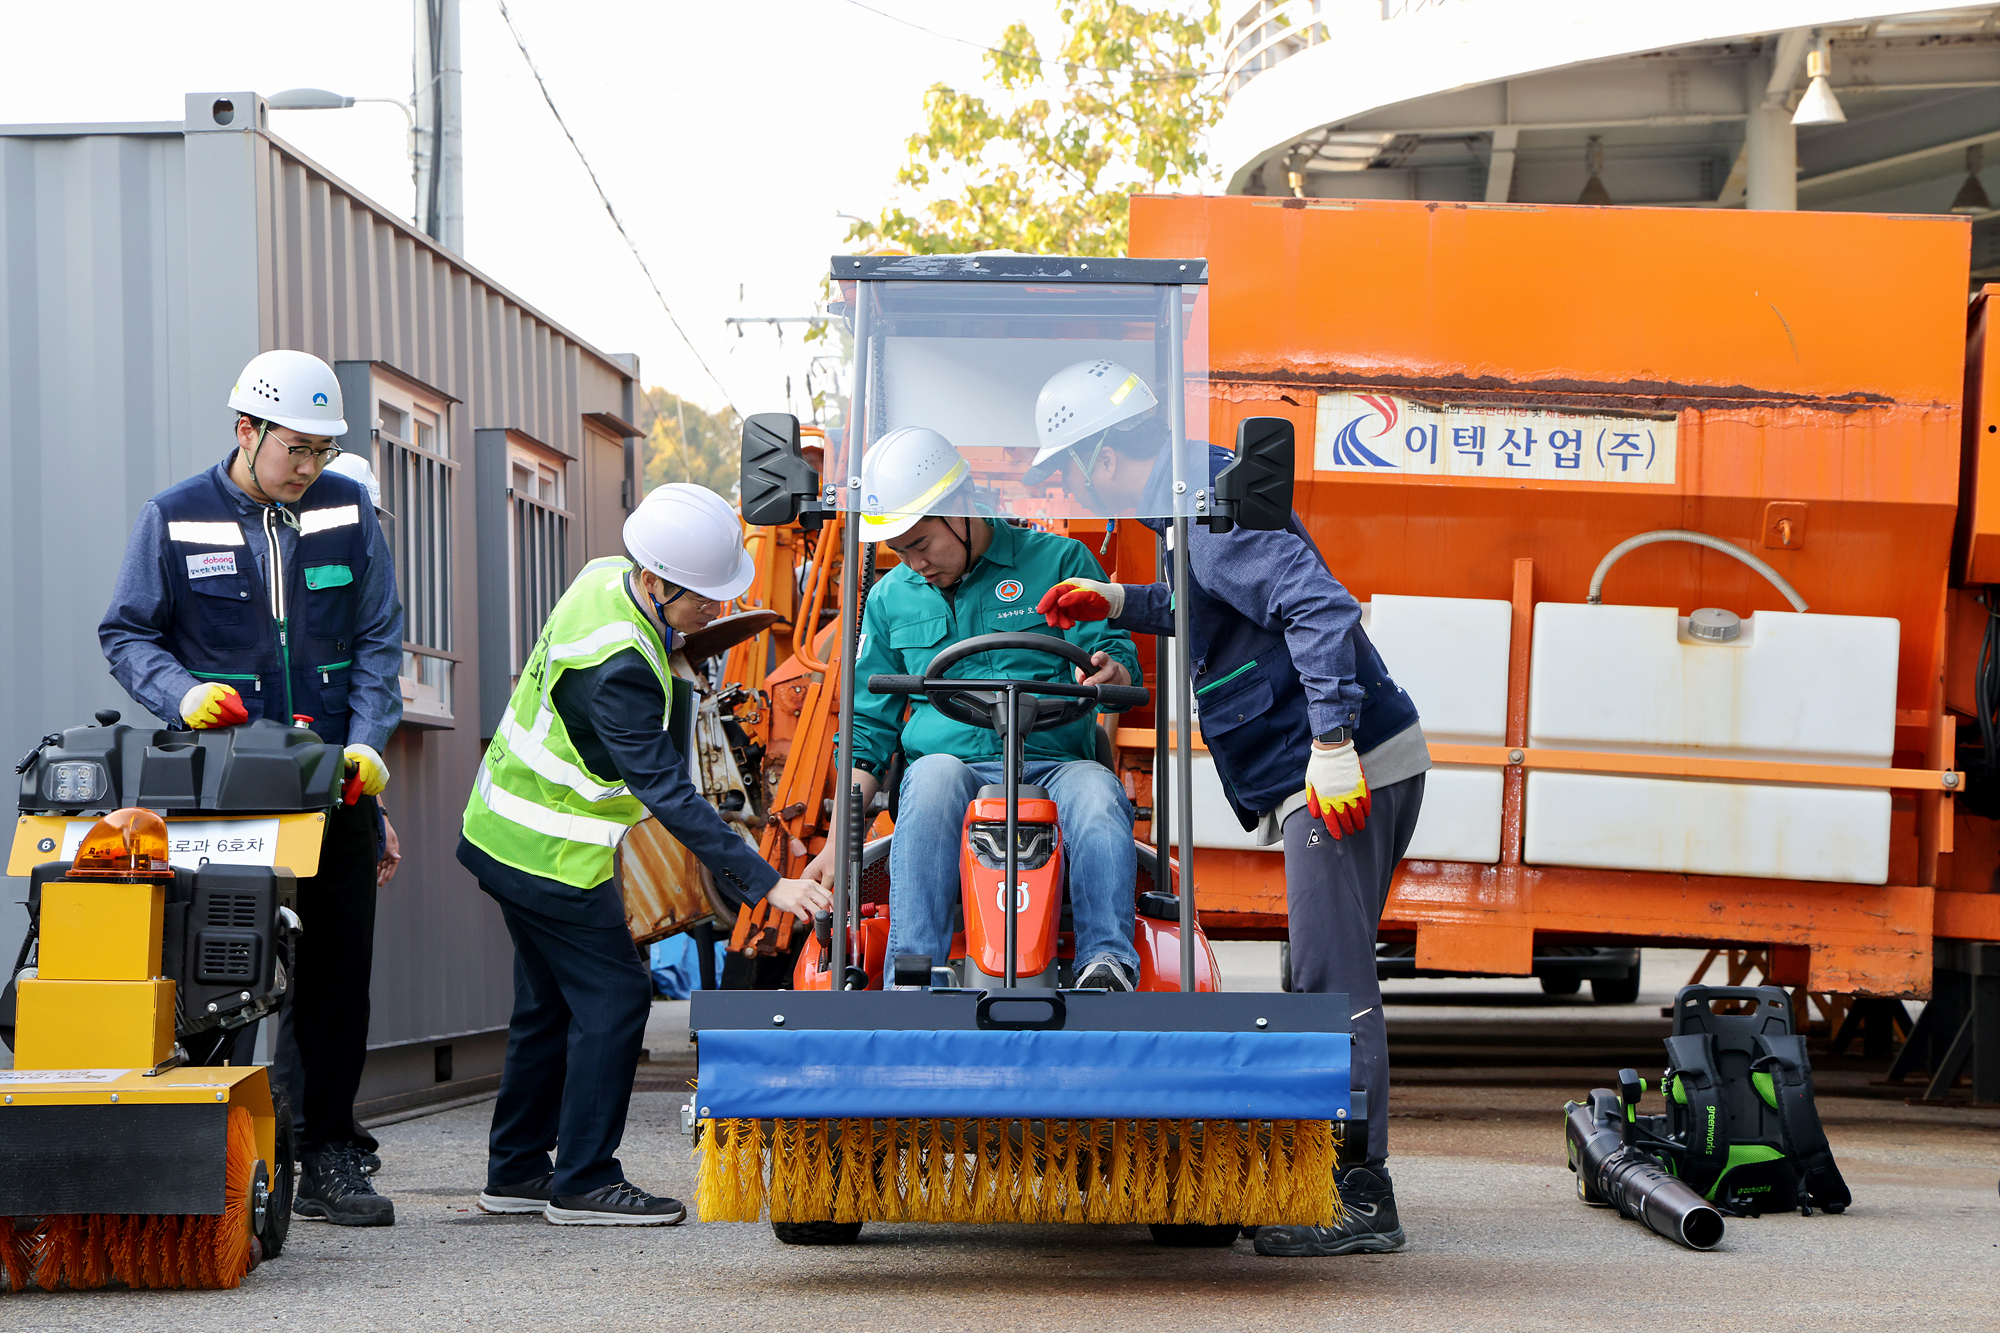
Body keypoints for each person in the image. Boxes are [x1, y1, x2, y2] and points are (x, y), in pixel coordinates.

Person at [1028, 359, 1428, 1255]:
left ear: (1103, 457)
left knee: (1330, 980)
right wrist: (1121, 600)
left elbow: (1320, 609)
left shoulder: (1204, 511)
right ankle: (1327, 1178)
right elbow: (1214, 601)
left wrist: (1332, 745)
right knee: (1319, 972)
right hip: (1340, 766)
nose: (1072, 488)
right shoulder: (1194, 498)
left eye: (1071, 468)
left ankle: (1361, 1194)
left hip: (1342, 772)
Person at [458, 483, 831, 1226]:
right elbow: (668, 791)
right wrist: (768, 884)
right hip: (550, 853)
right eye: (706, 597)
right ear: (657, 580)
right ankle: (585, 1180)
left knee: (547, 1003)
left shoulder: (604, 577)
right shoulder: (620, 668)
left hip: (502, 830)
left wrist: (682, 643)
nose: (717, 609)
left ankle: (517, 1169)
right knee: (617, 996)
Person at [100, 349, 403, 1227]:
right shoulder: (174, 516)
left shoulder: (348, 509)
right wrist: (179, 693)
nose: (308, 466)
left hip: (334, 785)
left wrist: (368, 742)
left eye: (321, 449)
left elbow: (378, 638)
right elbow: (127, 633)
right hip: (224, 790)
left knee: (336, 975)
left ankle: (328, 1152)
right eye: (294, 447)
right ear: (247, 429)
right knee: (220, 967)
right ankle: (203, 1151)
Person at [803, 426, 1144, 991]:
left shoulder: (1060, 560)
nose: (914, 563)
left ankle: (1106, 965)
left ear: (961, 507)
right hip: (952, 770)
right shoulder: (888, 599)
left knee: (1097, 789)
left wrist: (1112, 670)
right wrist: (842, 842)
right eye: (899, 551)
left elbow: (1115, 651)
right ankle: (912, 975)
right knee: (930, 776)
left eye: (921, 544)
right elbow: (867, 731)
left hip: (1055, 764)